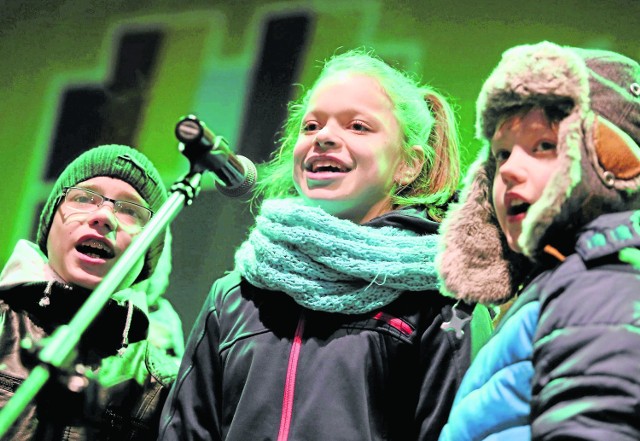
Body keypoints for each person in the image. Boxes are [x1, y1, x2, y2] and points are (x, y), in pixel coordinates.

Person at [158, 48, 492, 441]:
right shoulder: (234, 296)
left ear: (408, 164)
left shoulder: (442, 298)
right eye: (312, 126)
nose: (325, 138)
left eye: (358, 127)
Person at [436, 41, 640, 440]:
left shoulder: (601, 286)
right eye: (501, 154)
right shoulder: (561, 282)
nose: (509, 170)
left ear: (608, 162)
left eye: (544, 145)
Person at [0, 144, 183, 440]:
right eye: (84, 198)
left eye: (130, 211)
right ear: (49, 224)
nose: (105, 217)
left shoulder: (163, 384)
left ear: (147, 257)